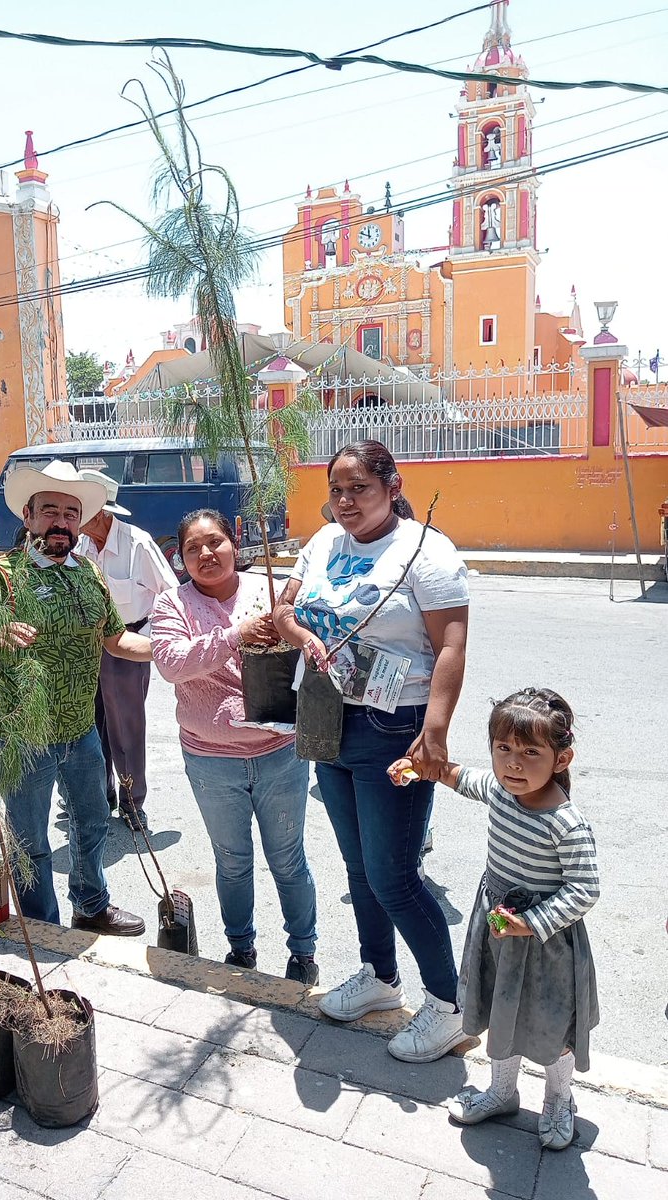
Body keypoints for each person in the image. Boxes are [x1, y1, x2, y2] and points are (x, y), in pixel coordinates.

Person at [272, 440, 469, 1061]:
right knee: (357, 868)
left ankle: (451, 1005)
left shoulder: (425, 552)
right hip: (328, 716)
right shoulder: (324, 542)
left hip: (394, 724)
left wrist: (433, 731)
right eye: (337, 490)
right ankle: (379, 977)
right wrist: (302, 635)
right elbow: (283, 609)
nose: (346, 500)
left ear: (393, 484)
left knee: (394, 874)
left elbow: (451, 647)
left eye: (359, 487)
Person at [389, 688, 600, 1152]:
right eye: (503, 749)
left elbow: (585, 888)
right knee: (499, 1014)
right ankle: (502, 1092)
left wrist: (534, 922)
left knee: (550, 1025)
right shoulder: (501, 791)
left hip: (547, 945)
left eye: (530, 752)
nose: (514, 764)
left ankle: (558, 1100)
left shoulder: (566, 823)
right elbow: (459, 777)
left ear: (563, 758)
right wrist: (420, 768)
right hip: (497, 930)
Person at [150, 508, 319, 985]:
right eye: (192, 548)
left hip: (278, 754)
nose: (205, 554)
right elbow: (171, 663)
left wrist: (285, 628)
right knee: (232, 861)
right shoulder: (172, 605)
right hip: (210, 759)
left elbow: (308, 645)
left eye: (215, 542)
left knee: (289, 859)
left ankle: (303, 953)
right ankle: (241, 948)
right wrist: (234, 636)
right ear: (180, 558)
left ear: (233, 542)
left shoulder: (269, 591)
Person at [0, 459, 148, 934]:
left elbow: (116, 639)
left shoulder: (89, 576)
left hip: (81, 732)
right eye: (50, 511)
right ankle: (43, 929)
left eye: (71, 513)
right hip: (22, 736)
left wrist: (174, 651)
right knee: (31, 841)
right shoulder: (0, 577)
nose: (61, 522)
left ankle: (91, 905)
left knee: (92, 823)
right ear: (28, 517)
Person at [75, 469, 177, 830]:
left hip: (127, 646)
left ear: (101, 512)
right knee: (92, 724)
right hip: (88, 646)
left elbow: (169, 594)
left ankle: (133, 802)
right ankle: (99, 795)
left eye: (80, 508)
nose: (72, 516)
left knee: (126, 730)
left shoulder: (138, 544)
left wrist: (154, 641)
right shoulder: (81, 547)